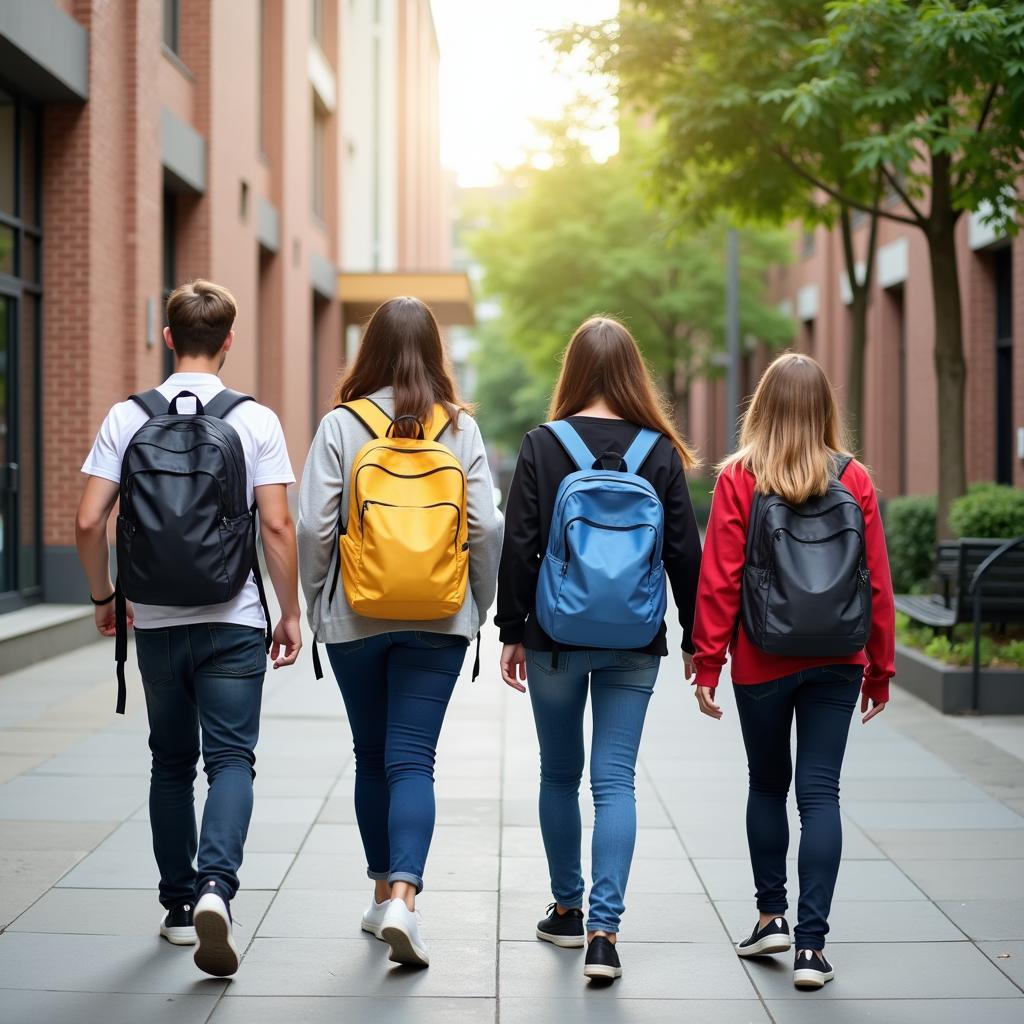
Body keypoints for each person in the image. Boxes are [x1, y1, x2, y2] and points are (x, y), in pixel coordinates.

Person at [76, 279, 301, 977]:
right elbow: (277, 525)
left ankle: (179, 908)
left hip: (160, 621)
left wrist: (103, 596)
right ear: (229, 340)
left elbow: (87, 521)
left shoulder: (126, 416)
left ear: (168, 337)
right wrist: (290, 611)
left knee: (170, 761)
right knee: (231, 759)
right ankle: (216, 887)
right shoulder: (254, 420)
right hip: (234, 617)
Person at [297, 295, 503, 969]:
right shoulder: (458, 427)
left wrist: (315, 598)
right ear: (436, 351)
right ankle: (405, 901)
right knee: (413, 757)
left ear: (370, 349)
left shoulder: (340, 424)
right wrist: (478, 601)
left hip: (355, 614)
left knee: (369, 755)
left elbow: (313, 526)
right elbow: (488, 526)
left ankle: (382, 889)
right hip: (439, 616)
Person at [496, 316, 703, 982]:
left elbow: (521, 543)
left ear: (573, 372)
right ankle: (604, 934)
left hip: (555, 636)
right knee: (615, 783)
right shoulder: (660, 451)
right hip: (635, 640)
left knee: (559, 774)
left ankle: (565, 908)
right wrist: (700, 642)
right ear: (634, 375)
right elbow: (684, 555)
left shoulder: (543, 444)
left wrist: (511, 629)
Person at [692, 352, 895, 990]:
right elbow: (879, 582)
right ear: (824, 408)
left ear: (763, 405)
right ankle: (811, 948)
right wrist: (880, 667)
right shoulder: (854, 477)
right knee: (821, 794)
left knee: (766, 786)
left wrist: (708, 661)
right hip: (838, 658)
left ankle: (770, 916)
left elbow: (721, 578)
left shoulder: (740, 477)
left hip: (763, 657)